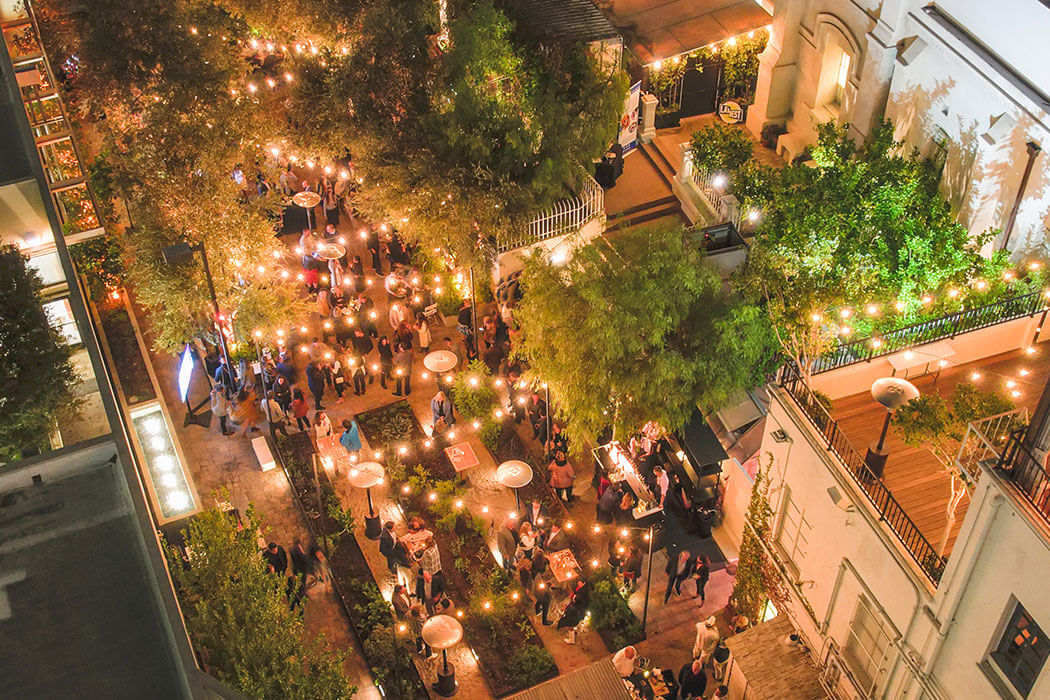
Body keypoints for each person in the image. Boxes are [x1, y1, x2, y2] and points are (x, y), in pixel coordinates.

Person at [557, 578, 590, 644]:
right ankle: (572, 637)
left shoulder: (582, 595)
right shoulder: (581, 590)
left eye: (580, 583)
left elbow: (577, 603)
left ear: (584, 583)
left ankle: (571, 640)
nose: (578, 584)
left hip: (575, 613)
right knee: (570, 624)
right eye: (578, 582)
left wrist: (567, 608)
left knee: (570, 625)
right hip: (575, 611)